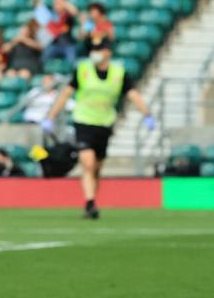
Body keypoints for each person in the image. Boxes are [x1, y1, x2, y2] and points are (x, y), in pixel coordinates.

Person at [42, 39, 156, 219]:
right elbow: (66, 93)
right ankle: (90, 203)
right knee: (87, 162)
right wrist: (51, 117)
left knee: (96, 167)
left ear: (107, 52)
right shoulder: (83, 70)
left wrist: (147, 114)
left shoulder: (119, 73)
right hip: (83, 121)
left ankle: (92, 199)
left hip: (105, 123)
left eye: (99, 49)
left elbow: (133, 94)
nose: (95, 53)